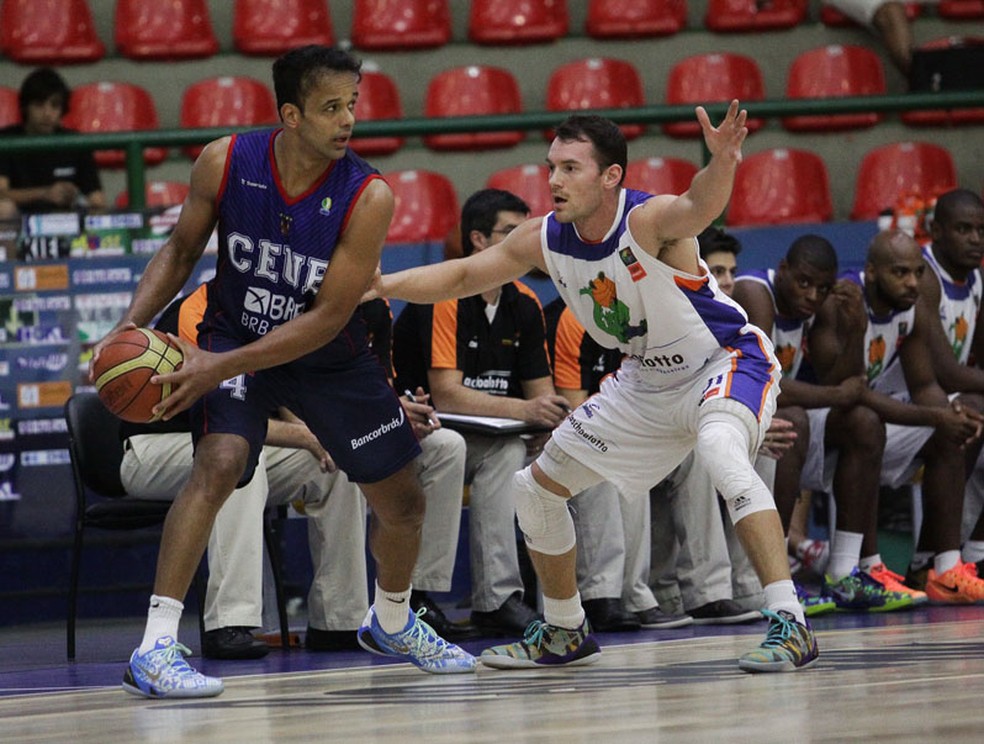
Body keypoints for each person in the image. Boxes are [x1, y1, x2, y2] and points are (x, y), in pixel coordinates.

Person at [372, 101, 821, 673]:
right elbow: (462, 274)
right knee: (534, 489)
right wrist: (380, 283)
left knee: (720, 453)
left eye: (570, 168)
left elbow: (698, 204)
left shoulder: (645, 221)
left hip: (722, 359)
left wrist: (725, 160)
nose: (554, 180)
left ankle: (790, 622)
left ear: (611, 176)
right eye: (551, 167)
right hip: (645, 380)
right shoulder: (545, 238)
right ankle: (564, 629)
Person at [90, 45, 475, 699]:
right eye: (331, 107)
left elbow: (328, 317)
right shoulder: (227, 160)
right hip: (236, 333)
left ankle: (391, 619)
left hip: (327, 358)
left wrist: (219, 366)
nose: (347, 119)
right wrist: (130, 326)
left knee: (405, 503)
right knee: (217, 465)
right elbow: (182, 249)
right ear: (290, 114)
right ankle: (155, 646)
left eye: (352, 104)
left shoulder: (367, 196)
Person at [120, 286, 470, 659]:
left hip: (265, 441)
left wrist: (389, 415)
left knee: (337, 464)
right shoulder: (202, 310)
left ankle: (339, 619)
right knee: (235, 462)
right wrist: (310, 433)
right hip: (158, 444)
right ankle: (229, 622)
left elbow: (319, 402)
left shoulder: (310, 310)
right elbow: (216, 419)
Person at [392, 188, 567, 637]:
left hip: (486, 436)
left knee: (528, 452)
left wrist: (543, 422)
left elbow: (543, 397)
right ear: (479, 241)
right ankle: (422, 596)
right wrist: (527, 408)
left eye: (531, 230)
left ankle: (501, 599)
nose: (529, 240)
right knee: (455, 447)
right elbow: (447, 395)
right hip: (414, 433)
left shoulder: (524, 302)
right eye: (513, 231)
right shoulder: (446, 294)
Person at [733, 236, 916, 613]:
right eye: (803, 283)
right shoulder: (756, 292)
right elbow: (766, 385)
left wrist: (855, 331)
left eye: (823, 289)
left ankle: (844, 571)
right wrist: (836, 396)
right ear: (782, 270)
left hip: (775, 417)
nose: (813, 296)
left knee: (863, 422)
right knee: (791, 421)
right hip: (732, 418)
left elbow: (842, 380)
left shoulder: (816, 309)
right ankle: (777, 575)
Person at [809, 228, 984, 606]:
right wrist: (857, 330)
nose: (912, 283)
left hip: (867, 414)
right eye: (900, 273)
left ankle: (946, 569)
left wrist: (949, 415)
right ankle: (855, 571)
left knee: (956, 421)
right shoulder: (841, 302)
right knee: (865, 422)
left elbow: (924, 385)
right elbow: (843, 389)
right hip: (813, 419)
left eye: (919, 273)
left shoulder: (912, 307)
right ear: (871, 272)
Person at [649, 226, 781, 625]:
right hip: (659, 429)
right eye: (716, 270)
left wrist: (751, 423)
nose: (725, 281)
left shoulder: (729, 321)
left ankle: (750, 586)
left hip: (701, 424)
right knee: (706, 449)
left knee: (762, 449)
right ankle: (700, 591)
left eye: (730, 272)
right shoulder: (662, 313)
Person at [545, 296, 688, 631]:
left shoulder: (650, 318)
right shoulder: (573, 319)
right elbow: (573, 410)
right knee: (611, 456)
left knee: (695, 454)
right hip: (581, 433)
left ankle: (711, 591)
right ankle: (604, 594)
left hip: (630, 428)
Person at [897, 189, 984, 600]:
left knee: (970, 412)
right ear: (935, 231)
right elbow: (945, 371)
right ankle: (926, 562)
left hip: (941, 400)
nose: (975, 239)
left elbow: (975, 365)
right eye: (964, 229)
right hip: (902, 400)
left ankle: (972, 555)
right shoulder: (924, 276)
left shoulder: (977, 279)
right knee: (967, 415)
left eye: (981, 230)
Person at [0, 67, 105, 218]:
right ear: (25, 107)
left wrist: (77, 197)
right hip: (20, 223)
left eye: (54, 105)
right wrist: (44, 193)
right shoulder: (6, 140)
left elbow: (98, 201)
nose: (47, 113)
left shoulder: (76, 143)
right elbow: (1, 193)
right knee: (3, 207)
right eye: (39, 105)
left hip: (67, 221)